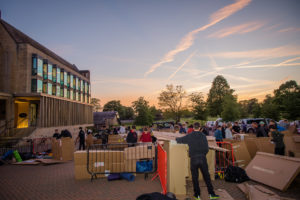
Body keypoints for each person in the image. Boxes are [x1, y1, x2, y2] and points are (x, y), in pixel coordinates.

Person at [176, 122, 219, 200]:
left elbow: (179, 140)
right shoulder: (203, 136)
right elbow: (206, 149)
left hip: (194, 158)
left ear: (193, 128)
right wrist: (202, 154)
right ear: (199, 128)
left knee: (195, 177)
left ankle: (197, 195)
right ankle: (211, 194)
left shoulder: (189, 135)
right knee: (207, 177)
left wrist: (175, 137)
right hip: (202, 158)